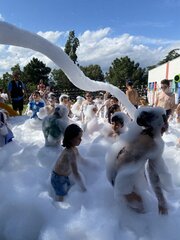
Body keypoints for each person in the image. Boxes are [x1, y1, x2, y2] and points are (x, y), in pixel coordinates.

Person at [106, 107, 171, 214]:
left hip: (115, 171)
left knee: (136, 205)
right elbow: (154, 174)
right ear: (159, 125)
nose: (166, 125)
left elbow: (131, 158)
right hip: (122, 179)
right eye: (165, 122)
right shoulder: (153, 144)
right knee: (141, 209)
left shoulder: (140, 134)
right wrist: (162, 202)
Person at [51, 124, 87, 201]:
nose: (81, 140)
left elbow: (81, 159)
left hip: (64, 176)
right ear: (71, 139)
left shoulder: (74, 149)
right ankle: (59, 207)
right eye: (78, 138)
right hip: (57, 178)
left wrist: (92, 165)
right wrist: (83, 187)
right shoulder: (70, 153)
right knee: (62, 195)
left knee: (69, 189)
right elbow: (75, 172)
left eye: (81, 138)